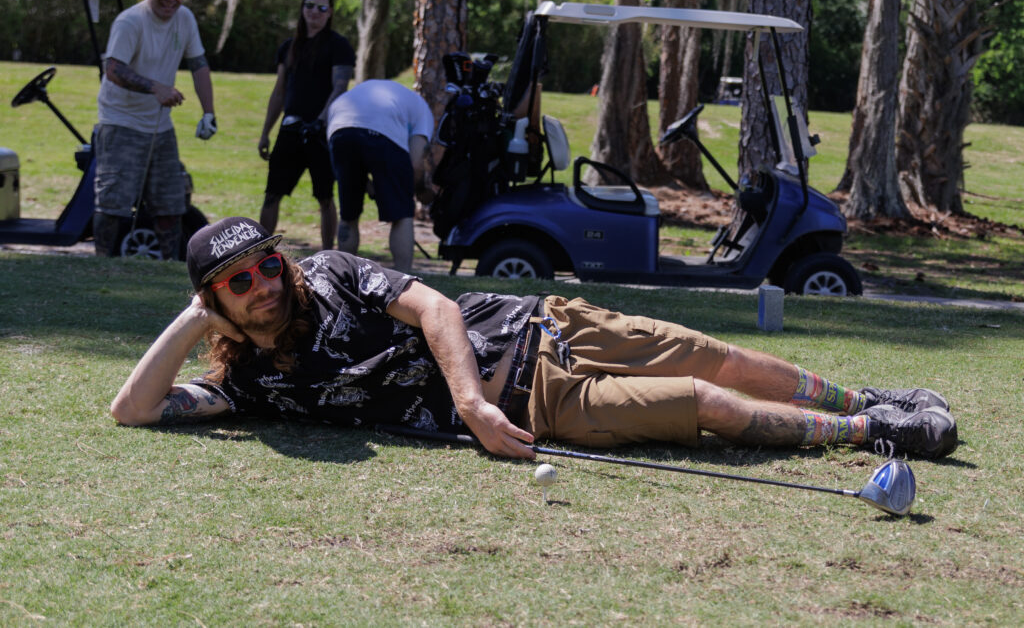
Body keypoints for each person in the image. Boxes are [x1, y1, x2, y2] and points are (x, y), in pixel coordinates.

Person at [111, 217, 958, 463]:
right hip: (542, 402)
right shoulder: (248, 386)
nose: (261, 286)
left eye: (263, 266)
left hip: (540, 322)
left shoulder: (330, 270)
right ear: (216, 299)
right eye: (236, 284)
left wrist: (466, 400)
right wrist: (193, 323)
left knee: (717, 354)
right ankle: (874, 432)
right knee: (698, 404)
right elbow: (132, 410)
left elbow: (436, 309)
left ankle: (865, 396)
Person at [94, 0, 217, 260]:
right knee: (112, 205)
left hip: (160, 127)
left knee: (171, 204)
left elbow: (198, 64)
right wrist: (155, 88)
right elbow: (113, 69)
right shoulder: (130, 22)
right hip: (121, 122)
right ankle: (99, 264)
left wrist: (209, 112)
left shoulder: (184, 19)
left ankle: (168, 268)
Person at [258, 0, 355, 250]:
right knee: (272, 194)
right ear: (302, 9)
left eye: (321, 8)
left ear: (330, 13)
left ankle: (328, 255)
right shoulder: (289, 47)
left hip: (320, 133)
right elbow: (279, 91)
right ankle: (262, 251)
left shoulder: (339, 46)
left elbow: (339, 87)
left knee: (325, 196)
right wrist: (266, 131)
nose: (315, 12)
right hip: (290, 130)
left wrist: (321, 121)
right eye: (310, 6)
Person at [325, 79, 435, 271]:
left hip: (340, 127)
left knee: (349, 214)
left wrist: (371, 186)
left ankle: (344, 278)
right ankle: (405, 279)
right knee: (402, 215)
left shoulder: (394, 98)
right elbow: (416, 163)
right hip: (383, 134)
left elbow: (345, 159)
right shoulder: (424, 111)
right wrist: (417, 190)